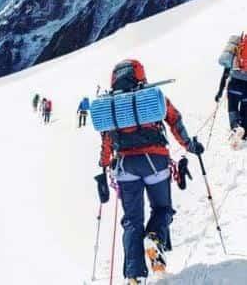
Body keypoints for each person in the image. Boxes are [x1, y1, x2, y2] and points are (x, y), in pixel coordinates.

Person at [97, 59, 203, 284]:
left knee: (132, 221)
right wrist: (190, 146)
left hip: (125, 167)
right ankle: (155, 240)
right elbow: (174, 120)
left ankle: (134, 276)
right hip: (156, 162)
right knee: (162, 208)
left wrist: (104, 163)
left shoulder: (111, 105)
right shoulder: (152, 96)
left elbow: (107, 139)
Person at [216, 34, 247, 137]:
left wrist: (220, 92)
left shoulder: (236, 48)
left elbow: (226, 72)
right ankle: (244, 134)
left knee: (232, 108)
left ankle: (236, 128)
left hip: (234, 85)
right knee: (245, 109)